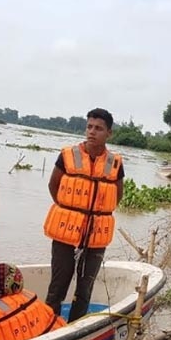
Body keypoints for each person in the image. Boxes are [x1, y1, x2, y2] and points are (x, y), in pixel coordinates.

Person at [43, 108, 124, 321]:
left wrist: (96, 214)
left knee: (85, 288)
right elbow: (54, 185)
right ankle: (49, 329)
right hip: (65, 233)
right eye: (89, 126)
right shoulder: (68, 156)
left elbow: (116, 196)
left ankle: (76, 327)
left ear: (109, 133)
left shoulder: (115, 163)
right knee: (57, 287)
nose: (92, 132)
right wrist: (70, 212)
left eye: (98, 128)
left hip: (95, 236)